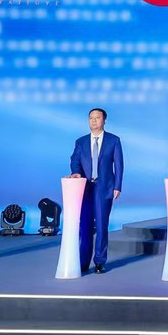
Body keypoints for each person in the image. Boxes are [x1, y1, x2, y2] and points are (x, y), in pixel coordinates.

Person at [68, 108, 123, 274]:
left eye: (97, 118)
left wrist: (117, 186)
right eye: (91, 118)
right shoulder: (81, 141)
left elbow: (119, 165)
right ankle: (83, 261)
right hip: (84, 189)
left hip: (104, 187)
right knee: (84, 226)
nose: (94, 120)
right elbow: (75, 160)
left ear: (104, 120)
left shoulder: (113, 140)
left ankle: (99, 261)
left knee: (101, 225)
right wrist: (76, 172)